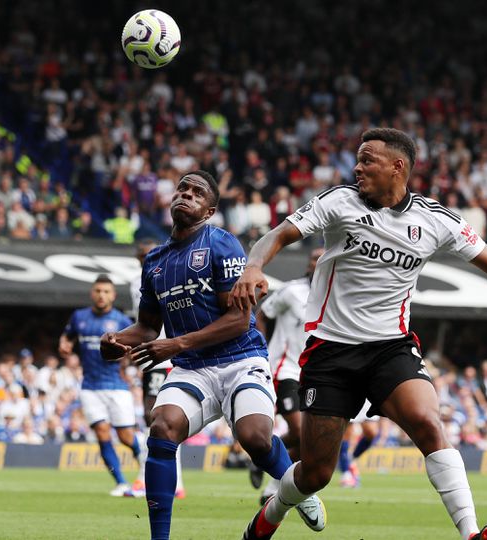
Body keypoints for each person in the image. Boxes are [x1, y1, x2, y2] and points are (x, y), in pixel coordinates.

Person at [231, 128, 487, 540]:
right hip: (331, 352)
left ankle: (471, 533)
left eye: (368, 160)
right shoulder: (339, 201)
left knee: (427, 421)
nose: (358, 167)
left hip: (391, 348)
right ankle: (268, 518)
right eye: (358, 159)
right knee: (315, 473)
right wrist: (254, 266)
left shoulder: (435, 219)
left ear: (397, 167)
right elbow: (279, 235)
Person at [99, 170, 326, 540]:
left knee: (255, 439)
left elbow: (239, 320)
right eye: (182, 189)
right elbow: (147, 328)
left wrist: (177, 344)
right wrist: (116, 341)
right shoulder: (154, 261)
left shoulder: (223, 245)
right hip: (192, 369)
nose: (186, 195)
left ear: (209, 210)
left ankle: (298, 489)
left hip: (241, 360)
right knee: (161, 429)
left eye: (197, 192)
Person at [60, 275, 145, 497]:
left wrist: (132, 358)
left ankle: (145, 470)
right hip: (89, 386)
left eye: (106, 291)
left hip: (116, 386)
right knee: (102, 432)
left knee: (126, 436)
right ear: (92, 293)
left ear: (113, 295)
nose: (101, 295)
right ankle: (121, 483)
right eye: (98, 291)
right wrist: (65, 346)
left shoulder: (121, 321)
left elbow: (136, 345)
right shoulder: (79, 317)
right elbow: (67, 337)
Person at [251, 247, 324, 501]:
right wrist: (260, 344)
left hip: (313, 373)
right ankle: (265, 459)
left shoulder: (335, 293)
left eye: (324, 258)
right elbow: (261, 315)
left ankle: (270, 483)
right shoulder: (292, 291)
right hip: (284, 369)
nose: (319, 262)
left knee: (307, 439)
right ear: (308, 265)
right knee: (302, 433)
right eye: (315, 258)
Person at [131, 237, 185, 499]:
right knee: (155, 418)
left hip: (164, 358)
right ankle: (174, 482)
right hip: (148, 357)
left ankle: (147, 479)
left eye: (148, 255)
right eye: (141, 256)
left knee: (156, 417)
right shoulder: (137, 283)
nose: (145, 259)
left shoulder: (166, 275)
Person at [337, 401, 379, 488]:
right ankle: (346, 474)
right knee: (346, 432)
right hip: (350, 392)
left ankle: (352, 459)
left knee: (372, 432)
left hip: (367, 394)